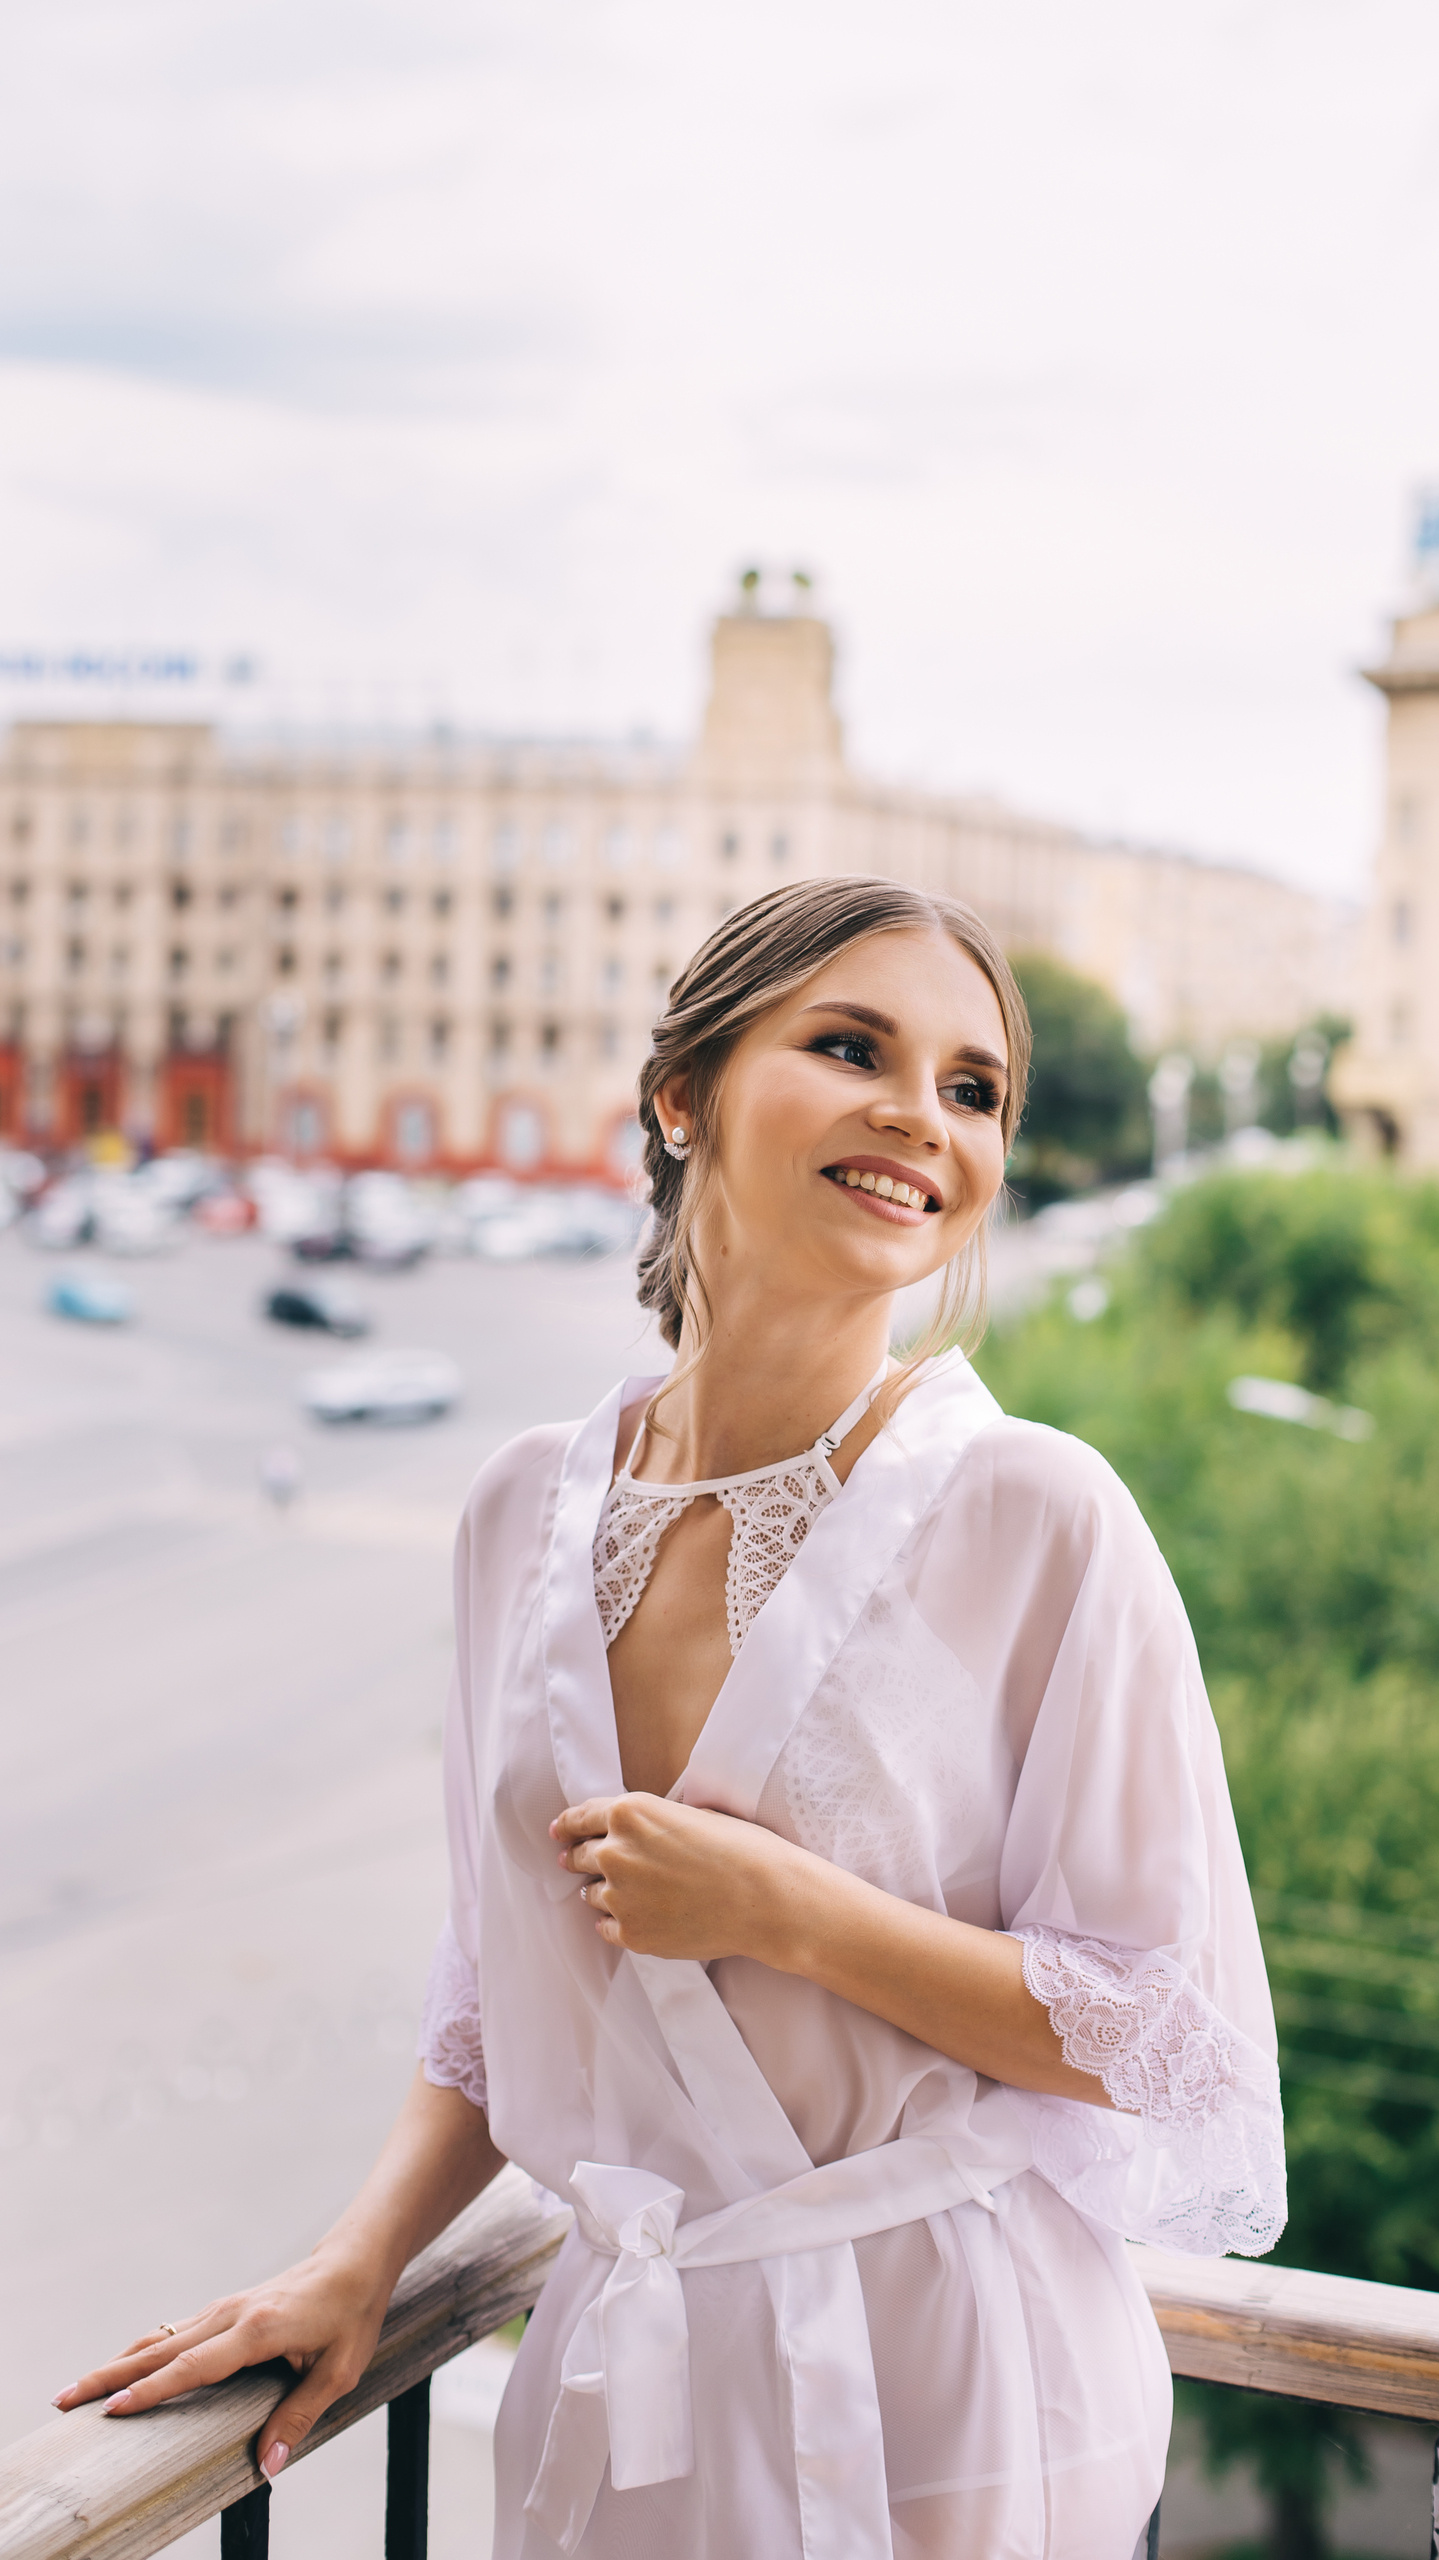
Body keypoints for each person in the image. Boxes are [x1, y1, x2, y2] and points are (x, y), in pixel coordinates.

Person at [60, 879, 1285, 2560]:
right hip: (627, 2401)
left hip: (954, 2394)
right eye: (851, 1045)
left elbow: (1165, 2036)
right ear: (683, 1094)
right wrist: (360, 2265)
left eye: (972, 1086)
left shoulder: (1037, 1515)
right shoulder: (519, 1511)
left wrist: (793, 1914)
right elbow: (498, 1986)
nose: (918, 1116)